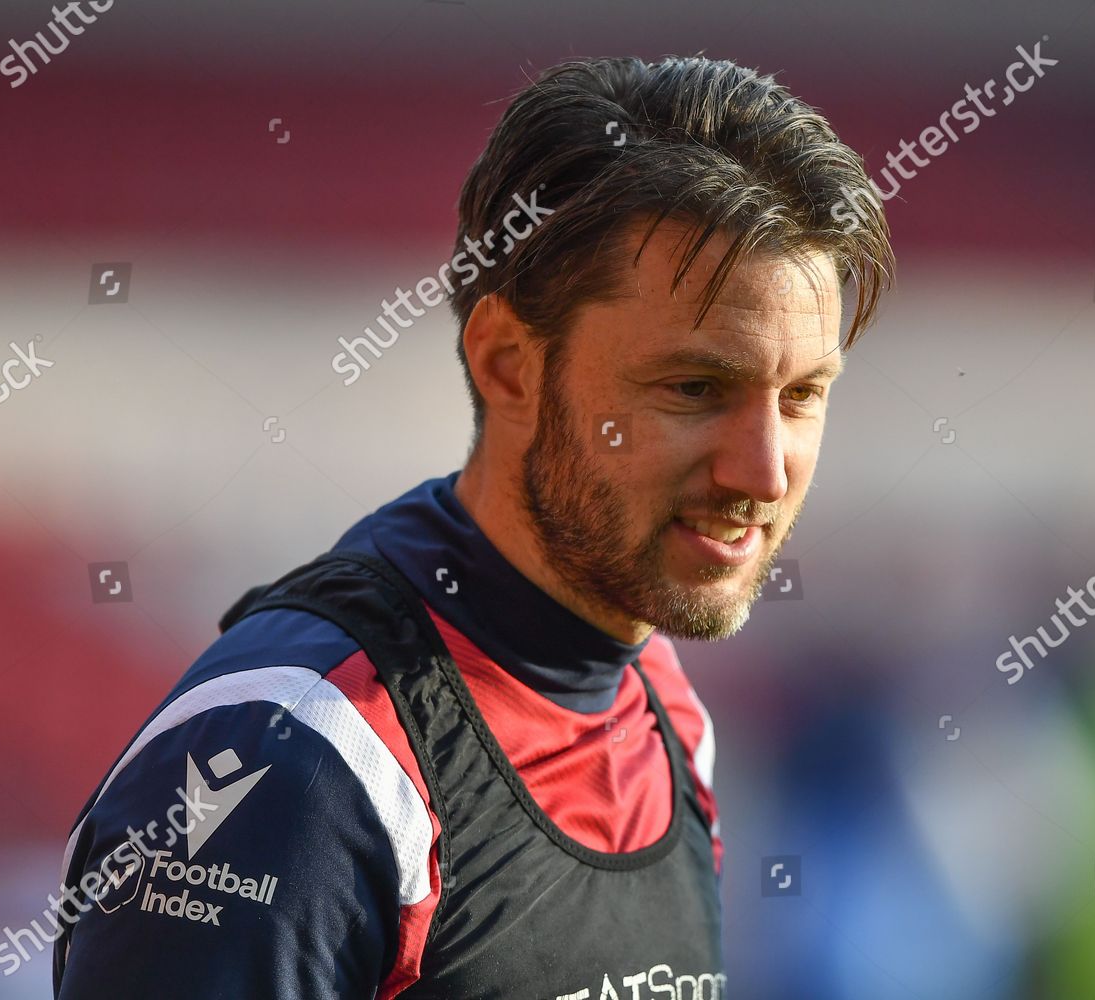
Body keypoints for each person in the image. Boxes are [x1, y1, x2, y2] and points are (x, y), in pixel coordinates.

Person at [52, 53, 893, 998]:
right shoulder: (294, 765)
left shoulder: (664, 706)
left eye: (803, 395)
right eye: (694, 390)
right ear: (507, 364)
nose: (763, 471)